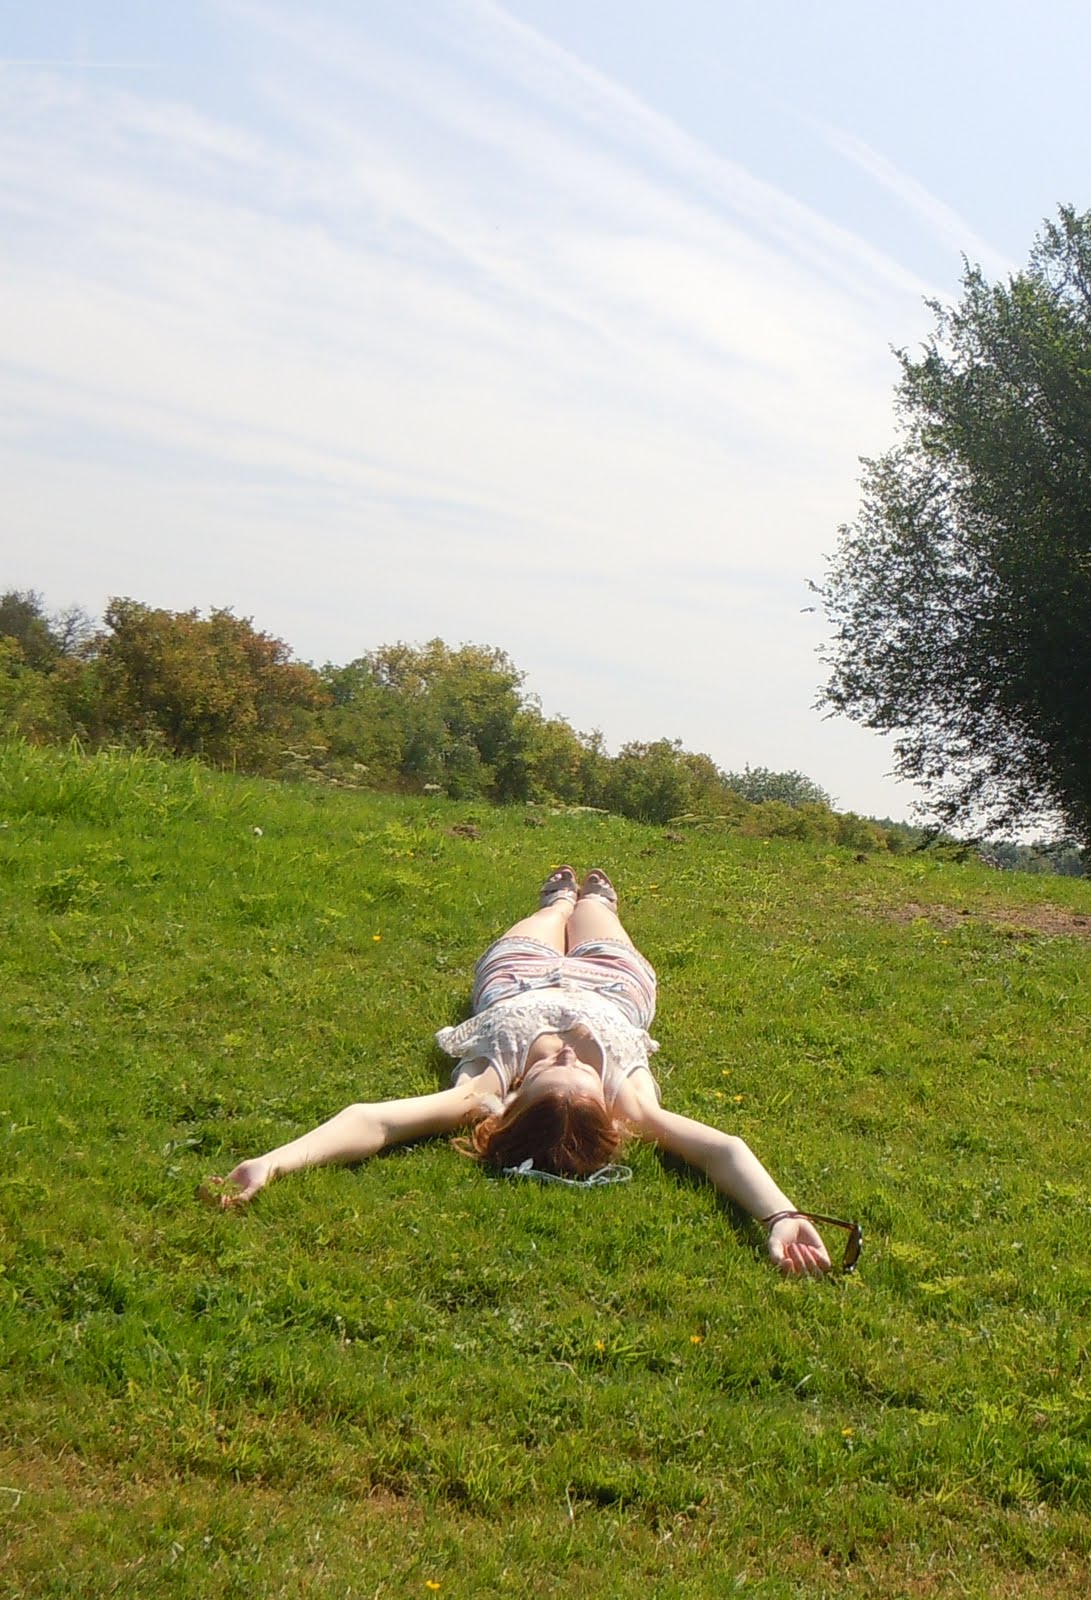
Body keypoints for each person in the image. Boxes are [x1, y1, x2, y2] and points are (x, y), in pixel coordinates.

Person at [209, 867, 836, 1276]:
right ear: (601, 1103)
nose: (567, 1058)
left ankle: (557, 902)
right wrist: (781, 1215)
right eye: (576, 1071)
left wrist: (274, 1162)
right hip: (613, 981)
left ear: (515, 1100)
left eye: (549, 1073)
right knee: (598, 912)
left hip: (516, 975)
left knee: (552, 914)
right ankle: (593, 901)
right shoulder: (630, 1104)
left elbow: (373, 1122)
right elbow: (724, 1149)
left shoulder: (484, 1092)